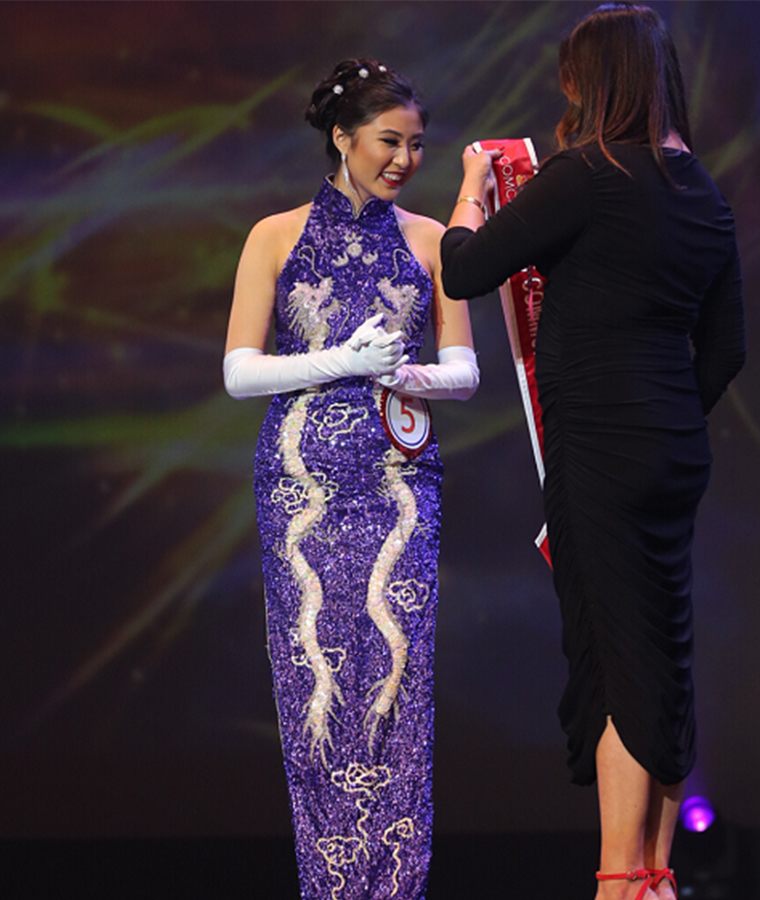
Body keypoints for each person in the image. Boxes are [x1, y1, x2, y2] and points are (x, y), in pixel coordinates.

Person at [437, 6, 744, 899]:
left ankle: (619, 881)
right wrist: (669, 412)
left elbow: (463, 268)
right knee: (663, 652)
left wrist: (471, 187)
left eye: (573, 78)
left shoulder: (583, 176)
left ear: (595, 80)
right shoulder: (705, 191)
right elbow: (726, 351)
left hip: (601, 448)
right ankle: (653, 876)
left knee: (619, 662)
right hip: (674, 449)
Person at [223, 59, 477, 899]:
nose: (404, 158)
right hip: (303, 483)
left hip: (402, 483)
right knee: (315, 683)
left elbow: (468, 373)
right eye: (387, 141)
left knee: (398, 685)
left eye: (415, 144)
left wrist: (400, 375)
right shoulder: (276, 234)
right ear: (341, 136)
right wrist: (341, 360)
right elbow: (238, 373)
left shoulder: (433, 240)